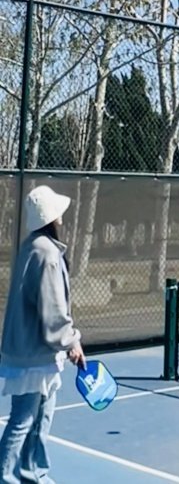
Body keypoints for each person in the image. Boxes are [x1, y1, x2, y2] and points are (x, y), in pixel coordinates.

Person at [0, 185, 86, 483]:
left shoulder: (34, 246)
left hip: (37, 353)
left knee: (42, 417)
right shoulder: (46, 253)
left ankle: (32, 473)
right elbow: (52, 309)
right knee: (24, 419)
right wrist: (72, 341)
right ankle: (7, 477)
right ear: (50, 216)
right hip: (33, 354)